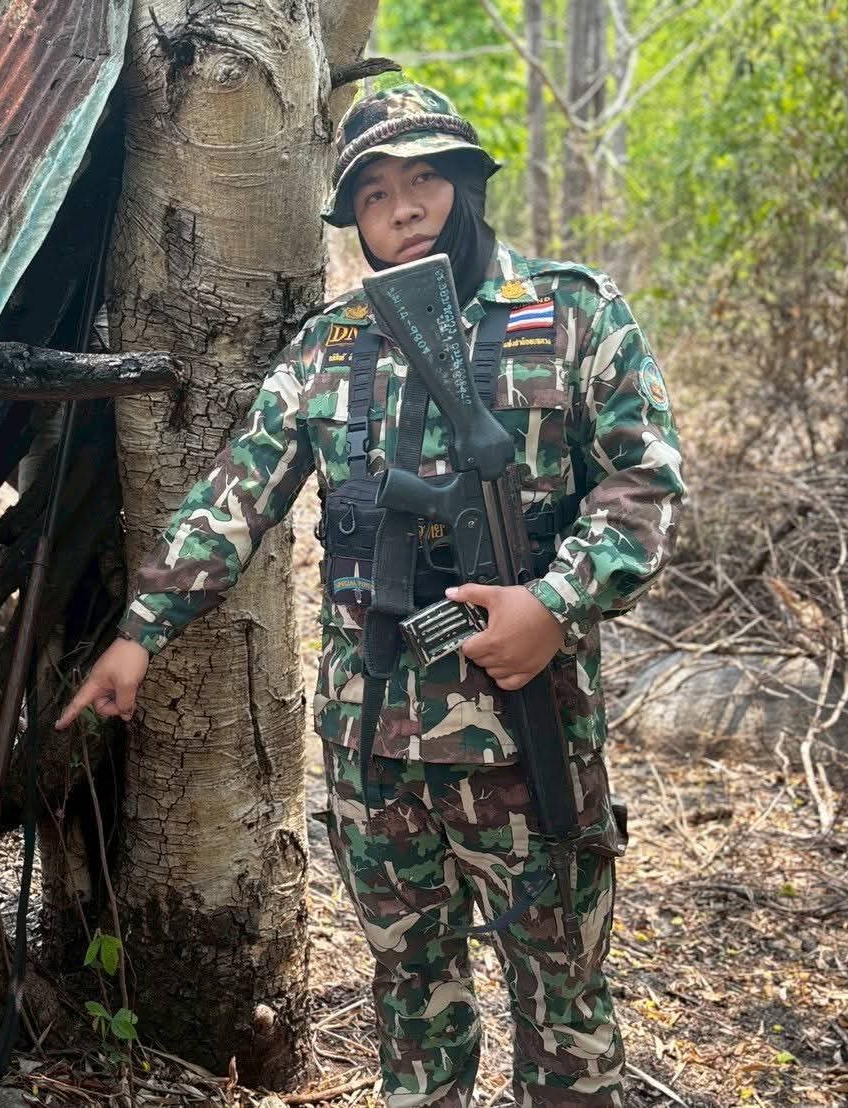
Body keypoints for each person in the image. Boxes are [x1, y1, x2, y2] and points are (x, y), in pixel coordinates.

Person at [56, 83, 685, 1107]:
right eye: (375, 193)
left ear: (467, 183)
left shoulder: (571, 314)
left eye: (425, 178)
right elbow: (237, 493)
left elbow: (643, 485)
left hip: (527, 737)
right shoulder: (331, 344)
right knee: (411, 1004)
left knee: (563, 1009)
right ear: (353, 216)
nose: (404, 208)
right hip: (371, 748)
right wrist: (141, 630)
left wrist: (555, 602)